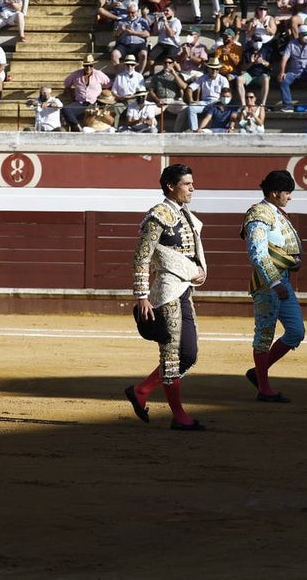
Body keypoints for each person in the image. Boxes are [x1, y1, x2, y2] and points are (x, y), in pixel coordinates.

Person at [124, 164, 208, 431]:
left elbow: (190, 254)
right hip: (166, 293)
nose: (192, 188)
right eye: (187, 184)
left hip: (184, 291)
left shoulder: (185, 215)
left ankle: (141, 390)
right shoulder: (158, 216)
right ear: (171, 186)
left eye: (192, 183)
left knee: (188, 354)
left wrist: (197, 271)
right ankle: (179, 416)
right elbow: (141, 257)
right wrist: (142, 296)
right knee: (171, 355)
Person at [241, 170, 303, 403]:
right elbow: (257, 253)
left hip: (282, 280)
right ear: (275, 192)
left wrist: (291, 263)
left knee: (296, 331)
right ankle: (264, 389)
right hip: (267, 283)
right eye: (287, 192)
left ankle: (258, 372)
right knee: (264, 334)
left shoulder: (275, 212)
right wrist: (274, 282)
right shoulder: (259, 214)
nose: (290, 197)